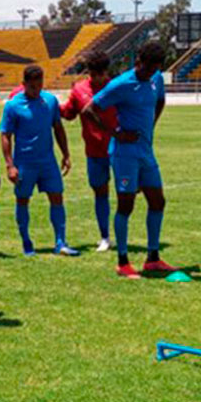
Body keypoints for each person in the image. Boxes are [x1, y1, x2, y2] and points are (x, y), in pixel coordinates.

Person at [85, 42, 176, 279]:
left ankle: (152, 259)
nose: (149, 73)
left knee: (158, 201)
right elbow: (89, 109)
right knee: (126, 205)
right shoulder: (122, 84)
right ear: (138, 62)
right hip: (124, 154)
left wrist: (151, 126)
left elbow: (160, 101)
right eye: (146, 69)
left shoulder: (156, 79)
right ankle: (123, 262)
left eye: (154, 69)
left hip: (146, 152)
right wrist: (116, 132)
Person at [0, 65, 80, 257]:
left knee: (57, 196)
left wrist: (66, 154)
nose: (36, 90)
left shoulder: (50, 101)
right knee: (23, 200)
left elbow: (58, 127)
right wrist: (10, 165)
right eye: (32, 87)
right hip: (25, 163)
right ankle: (26, 241)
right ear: (24, 84)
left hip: (47, 161)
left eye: (40, 85)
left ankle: (60, 241)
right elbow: (5, 135)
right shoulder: (12, 106)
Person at [60, 51, 117, 252]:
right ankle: (105, 237)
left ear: (106, 71)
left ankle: (124, 235)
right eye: (93, 74)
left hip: (120, 149)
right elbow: (68, 114)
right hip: (94, 151)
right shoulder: (79, 89)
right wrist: (47, 103)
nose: (97, 78)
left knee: (128, 191)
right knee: (100, 192)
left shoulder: (117, 87)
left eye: (101, 74)